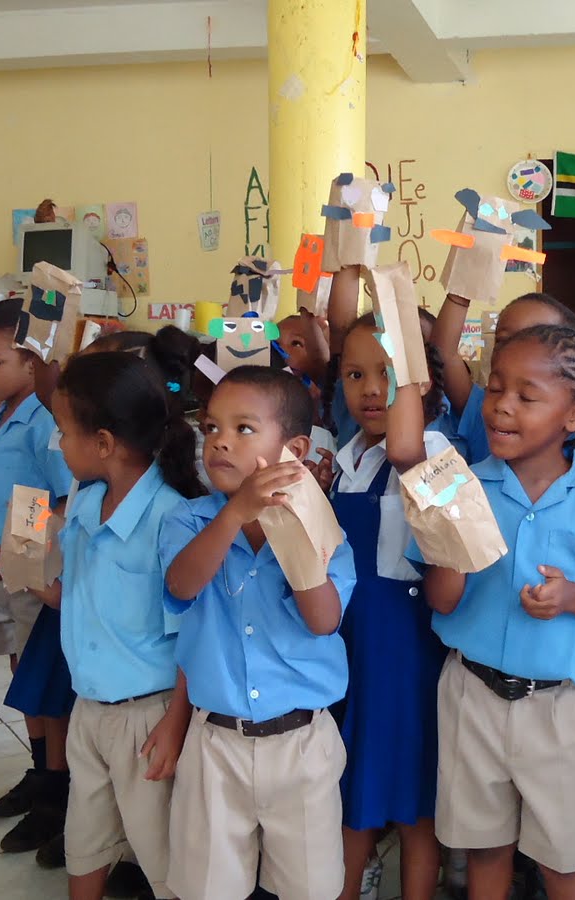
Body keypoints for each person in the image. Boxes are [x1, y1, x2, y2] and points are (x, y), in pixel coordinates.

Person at [407, 324, 575, 900]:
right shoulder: (463, 486)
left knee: (564, 859)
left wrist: (572, 597)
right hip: (472, 696)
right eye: (495, 389)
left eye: (527, 395)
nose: (501, 407)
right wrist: (453, 542)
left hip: (559, 707)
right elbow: (442, 601)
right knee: (484, 849)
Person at [160, 365, 356, 900]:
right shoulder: (189, 521)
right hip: (215, 741)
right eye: (212, 428)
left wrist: (294, 531)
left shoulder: (326, 529)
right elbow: (180, 586)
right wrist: (236, 514)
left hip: (302, 743)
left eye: (244, 429)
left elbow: (323, 621)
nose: (219, 441)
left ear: (292, 448)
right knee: (208, 886)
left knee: (310, 886)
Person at [50, 350, 205, 900]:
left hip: (148, 717)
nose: (58, 444)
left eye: (63, 431)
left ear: (104, 443)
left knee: (163, 860)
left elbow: (194, 634)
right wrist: (23, 571)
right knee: (85, 843)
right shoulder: (87, 504)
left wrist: (176, 723)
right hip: (88, 709)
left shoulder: (171, 519)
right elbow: (73, 599)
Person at [329, 313, 452, 900]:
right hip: (346, 643)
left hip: (404, 651)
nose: (372, 389)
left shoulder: (437, 454)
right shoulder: (344, 458)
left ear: (421, 380)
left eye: (388, 373)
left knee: (412, 798)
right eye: (355, 374)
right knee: (350, 786)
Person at [0, 299, 73, 853]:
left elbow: (60, 495)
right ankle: (38, 769)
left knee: (41, 674)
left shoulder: (43, 421)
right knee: (20, 671)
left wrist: (18, 551)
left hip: (28, 570)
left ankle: (57, 785)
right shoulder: (2, 412)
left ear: (32, 363)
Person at [430, 289, 575, 463]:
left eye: (537, 341)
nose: (515, 351)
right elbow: (443, 353)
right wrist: (468, 274)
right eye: (504, 340)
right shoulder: (484, 408)